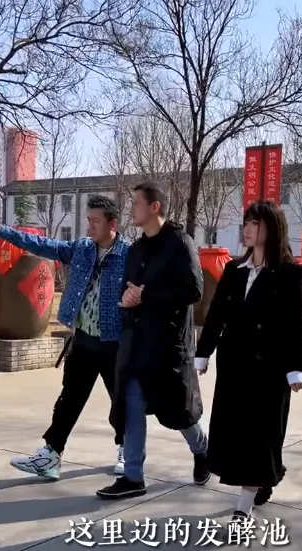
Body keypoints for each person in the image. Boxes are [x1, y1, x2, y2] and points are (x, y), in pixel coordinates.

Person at [0, 195, 130, 479]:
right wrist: (6, 233)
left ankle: (127, 450)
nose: (89, 226)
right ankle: (51, 455)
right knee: (68, 400)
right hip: (83, 340)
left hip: (115, 343)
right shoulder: (82, 249)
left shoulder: (129, 255)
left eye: (96, 221)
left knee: (121, 401)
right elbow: (45, 245)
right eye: (88, 220)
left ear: (112, 224)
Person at [194, 201, 302, 520]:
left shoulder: (291, 274)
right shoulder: (234, 270)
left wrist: (297, 369)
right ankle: (267, 475)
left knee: (262, 436)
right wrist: (203, 352)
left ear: (271, 228)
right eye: (245, 223)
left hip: (269, 370)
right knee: (237, 436)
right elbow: (216, 314)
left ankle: (242, 509)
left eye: (254, 223)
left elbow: (294, 324)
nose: (246, 229)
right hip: (234, 367)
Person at [96, 181, 209, 499]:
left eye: (136, 203)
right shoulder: (136, 250)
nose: (131, 209)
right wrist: (127, 298)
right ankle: (133, 477)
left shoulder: (179, 243)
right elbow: (129, 288)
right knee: (132, 405)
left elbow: (194, 290)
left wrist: (147, 295)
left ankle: (202, 449)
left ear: (154, 207)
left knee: (177, 412)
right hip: (136, 344)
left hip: (167, 347)